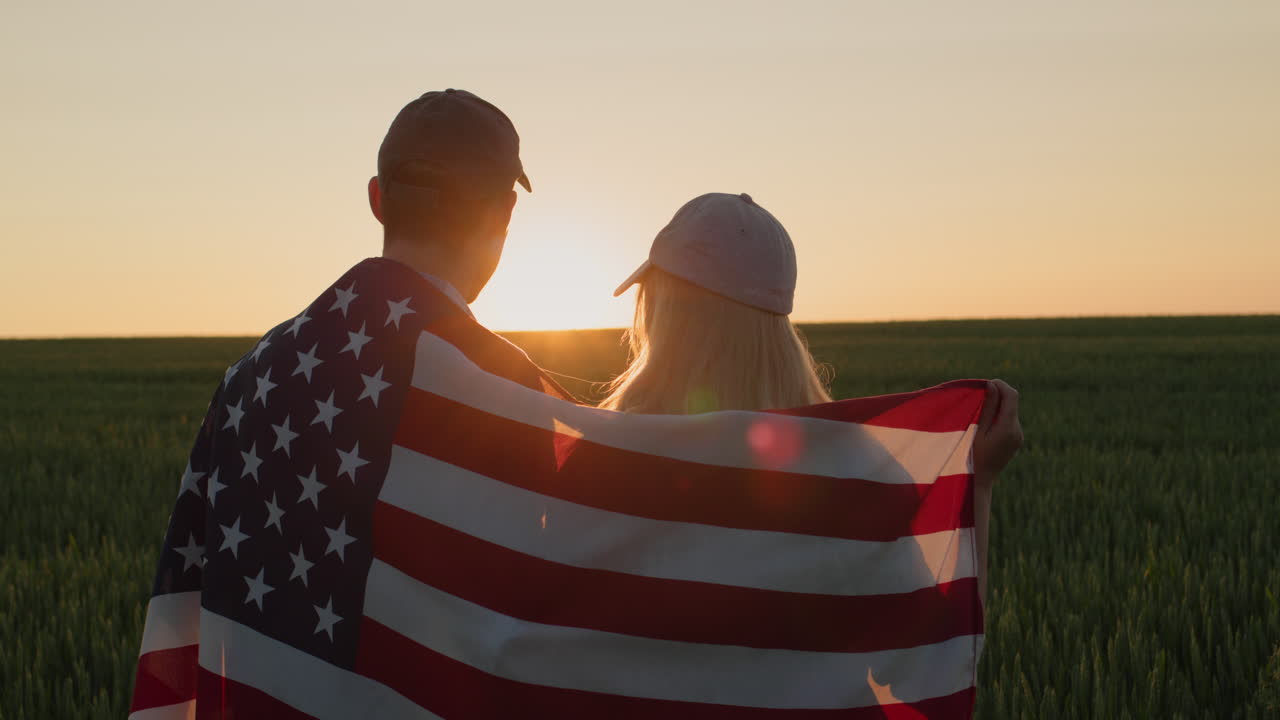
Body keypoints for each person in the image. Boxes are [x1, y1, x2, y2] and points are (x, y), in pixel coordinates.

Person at [604, 191, 1023, 603]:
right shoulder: (856, 472)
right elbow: (930, 638)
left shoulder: (611, 459)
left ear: (660, 310)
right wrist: (979, 485)